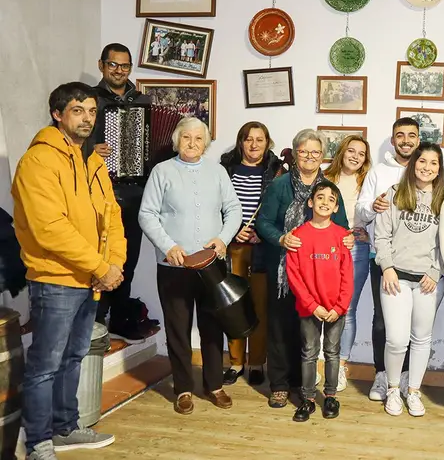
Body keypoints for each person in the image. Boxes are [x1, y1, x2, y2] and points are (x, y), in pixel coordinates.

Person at [14, 82, 122, 459]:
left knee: (74, 358)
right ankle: (38, 443)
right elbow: (50, 229)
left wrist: (114, 264)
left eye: (92, 111)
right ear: (58, 114)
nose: (87, 118)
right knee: (45, 365)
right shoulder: (39, 160)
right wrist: (100, 266)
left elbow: (112, 216)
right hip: (55, 280)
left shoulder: (92, 160)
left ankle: (65, 429)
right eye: (78, 110)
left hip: (91, 280)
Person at [139, 117, 242, 415]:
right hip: (175, 265)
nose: (192, 144)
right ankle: (183, 388)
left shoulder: (217, 171)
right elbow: (147, 214)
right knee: (178, 329)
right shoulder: (162, 171)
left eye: (199, 139)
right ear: (176, 140)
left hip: (211, 264)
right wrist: (168, 246)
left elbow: (233, 209)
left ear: (206, 143)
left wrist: (223, 239)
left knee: (212, 326)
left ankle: (214, 385)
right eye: (186, 138)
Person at [256, 129, 352, 409]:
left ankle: (303, 385)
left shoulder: (329, 191)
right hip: (284, 272)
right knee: (280, 327)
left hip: (320, 277)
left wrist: (347, 236)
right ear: (295, 153)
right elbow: (264, 223)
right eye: (303, 151)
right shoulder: (279, 186)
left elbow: (343, 225)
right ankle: (279, 385)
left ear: (322, 157)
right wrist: (282, 238)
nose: (309, 157)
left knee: (306, 333)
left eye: (315, 152)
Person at [83, 43, 157, 342]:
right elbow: (68, 140)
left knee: (128, 258)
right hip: (100, 193)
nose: (119, 71)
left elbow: (154, 147)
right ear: (102, 65)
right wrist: (91, 150)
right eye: (113, 65)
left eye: (125, 66)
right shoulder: (89, 99)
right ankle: (94, 321)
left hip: (135, 194)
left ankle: (120, 318)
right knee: (98, 256)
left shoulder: (142, 101)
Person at [375, 143, 444, 417]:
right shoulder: (395, 194)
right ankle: (393, 388)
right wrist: (387, 267)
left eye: (433, 163)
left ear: (439, 168)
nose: (427, 168)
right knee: (396, 339)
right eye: (422, 162)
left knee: (421, 339)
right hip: (396, 277)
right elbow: (381, 236)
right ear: (413, 163)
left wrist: (436, 270)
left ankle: (413, 390)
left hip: (427, 280)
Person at [356, 118, 421, 401]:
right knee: (383, 320)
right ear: (393, 140)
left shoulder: (427, 170)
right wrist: (373, 206)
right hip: (381, 258)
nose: (406, 140)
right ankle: (382, 376)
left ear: (419, 140)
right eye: (400, 135)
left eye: (411, 135)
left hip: (418, 261)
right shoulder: (378, 172)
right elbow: (360, 212)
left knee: (413, 322)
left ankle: (406, 378)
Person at [219, 122, 286, 387]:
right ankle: (236, 362)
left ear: (267, 143)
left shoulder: (277, 170)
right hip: (232, 245)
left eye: (260, 140)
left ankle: (257, 361)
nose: (254, 145)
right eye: (249, 139)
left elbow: (281, 209)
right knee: (233, 304)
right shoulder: (225, 169)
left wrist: (263, 232)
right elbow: (218, 206)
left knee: (259, 305)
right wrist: (232, 231)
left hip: (261, 247)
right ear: (240, 143)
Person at [286, 181, 354, 422]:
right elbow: (294, 277)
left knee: (333, 353)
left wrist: (339, 307)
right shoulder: (298, 237)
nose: (325, 202)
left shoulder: (342, 237)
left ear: (336, 207)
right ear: (311, 202)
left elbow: (348, 276)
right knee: (308, 353)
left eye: (331, 199)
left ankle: (331, 396)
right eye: (321, 197)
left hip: (336, 309)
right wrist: (312, 305)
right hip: (309, 309)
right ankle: (307, 399)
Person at [324, 135, 372, 392]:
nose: (355, 156)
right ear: (341, 152)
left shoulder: (368, 181)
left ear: (366, 159)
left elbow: (380, 213)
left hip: (356, 249)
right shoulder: (325, 179)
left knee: (346, 309)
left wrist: (368, 233)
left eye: (361, 153)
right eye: (350, 150)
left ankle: (340, 365)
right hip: (325, 250)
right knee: (320, 306)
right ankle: (321, 364)